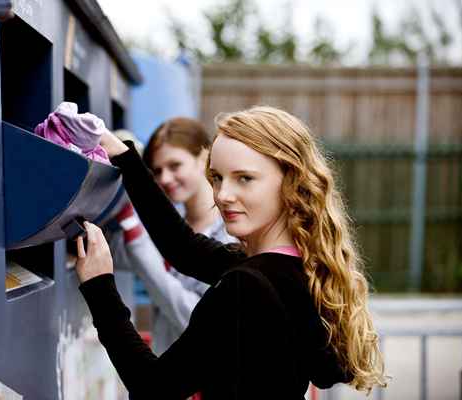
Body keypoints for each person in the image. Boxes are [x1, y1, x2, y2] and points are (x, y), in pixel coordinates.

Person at [75, 106, 388, 399]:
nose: (223, 195)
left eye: (245, 178)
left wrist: (99, 287)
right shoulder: (294, 267)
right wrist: (120, 153)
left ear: (290, 182)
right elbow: (183, 248)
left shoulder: (247, 285)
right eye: (217, 178)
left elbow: (153, 387)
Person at [115, 118, 236, 355]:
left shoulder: (231, 235)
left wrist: (141, 251)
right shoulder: (171, 227)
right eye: (157, 171)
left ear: (204, 156)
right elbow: (121, 254)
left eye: (175, 165)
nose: (165, 179)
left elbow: (196, 320)